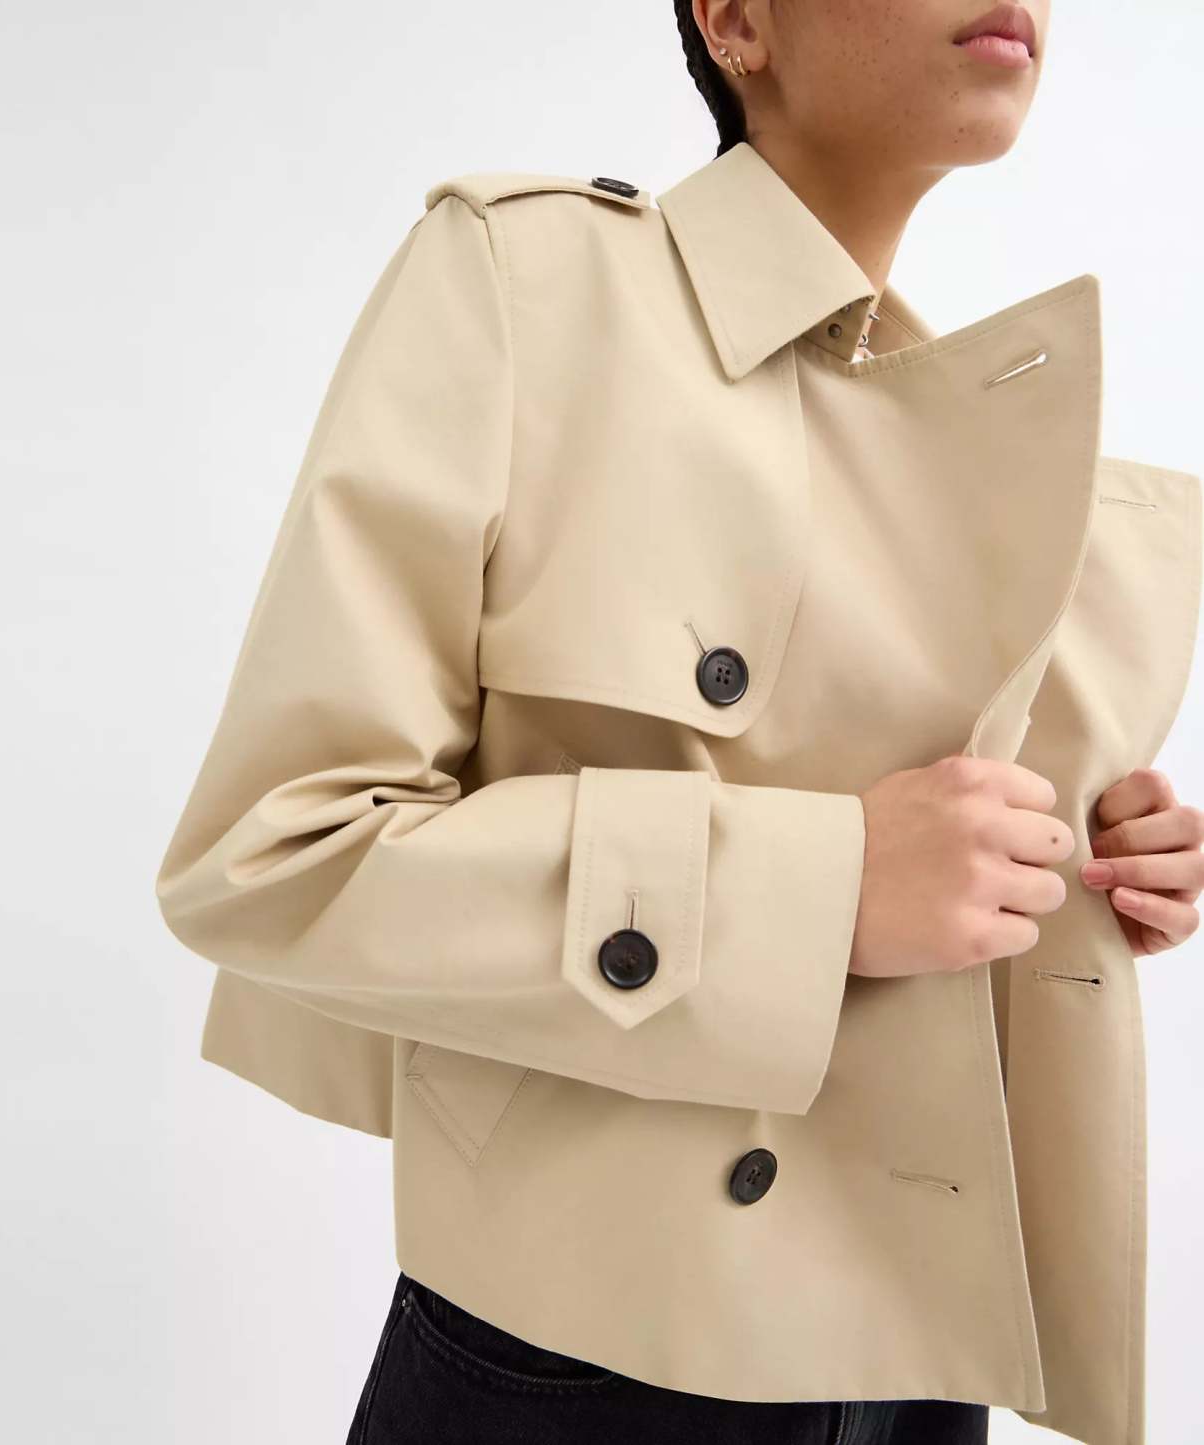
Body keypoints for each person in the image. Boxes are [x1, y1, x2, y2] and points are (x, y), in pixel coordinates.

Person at [154, 2, 1204, 1442]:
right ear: (736, 19)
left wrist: (1076, 868)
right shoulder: (528, 287)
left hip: (917, 1341)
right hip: (593, 1348)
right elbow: (273, 857)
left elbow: (906, 874)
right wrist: (830, 886)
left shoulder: (965, 446)